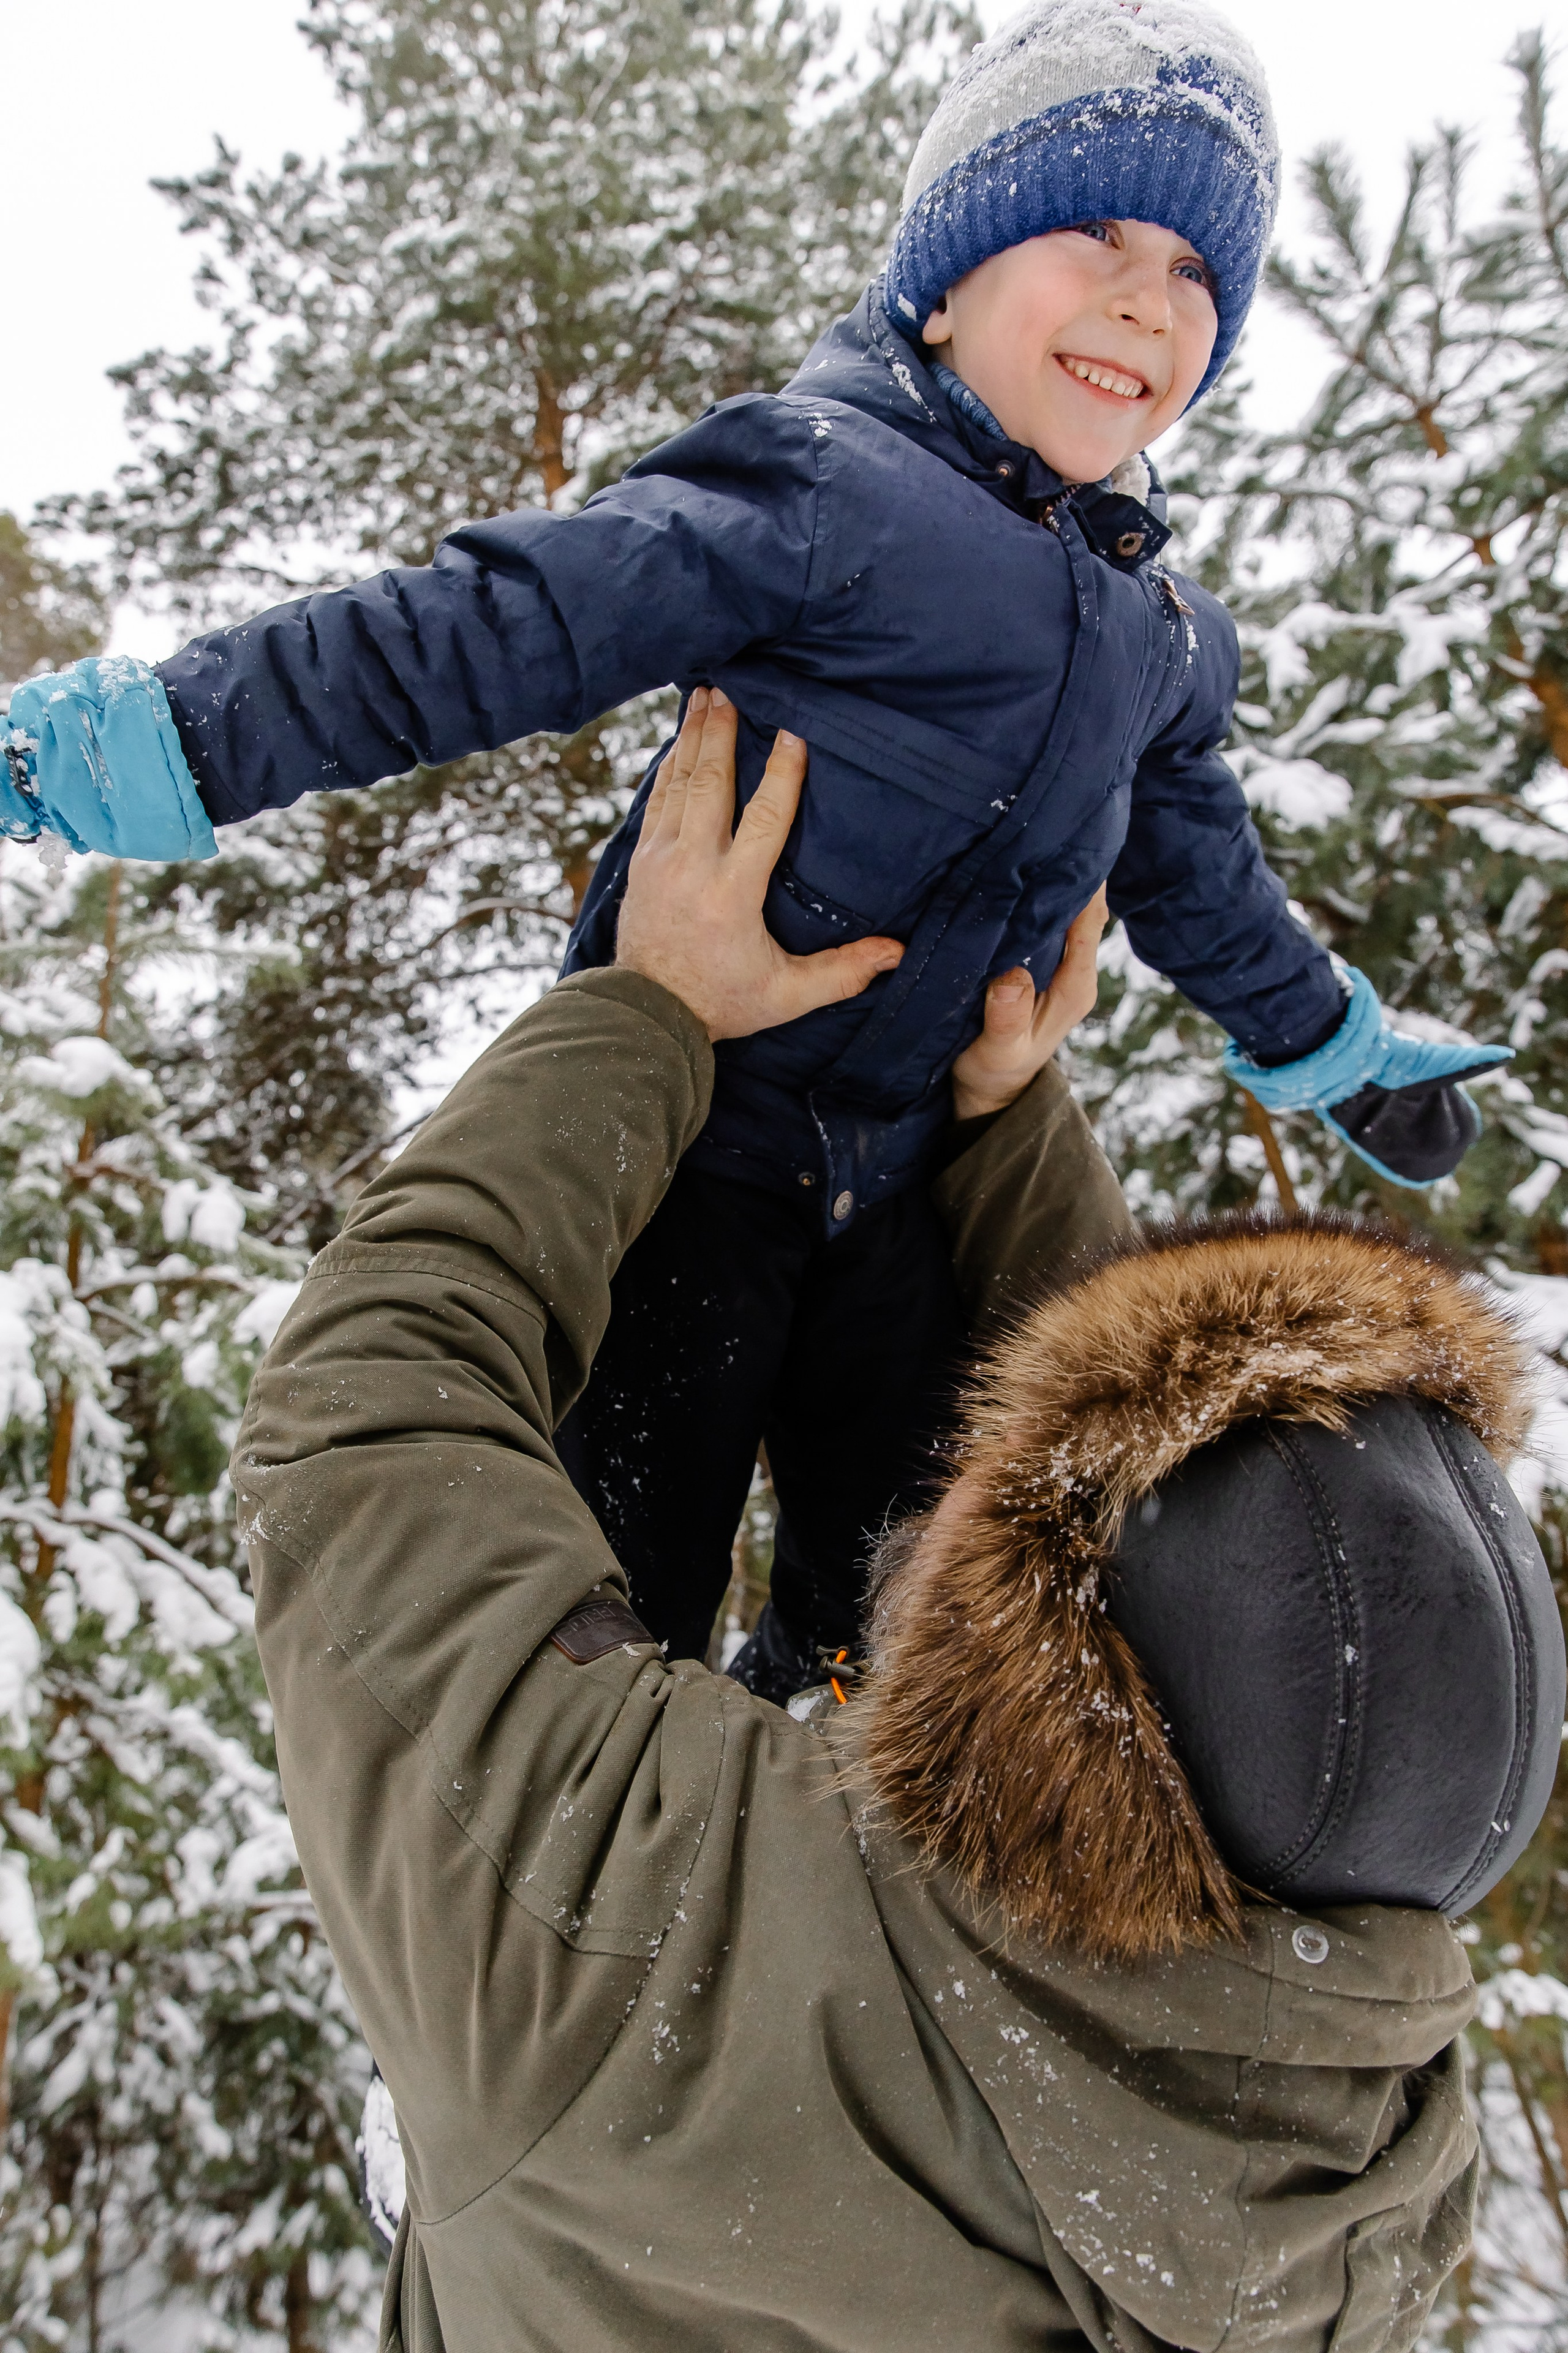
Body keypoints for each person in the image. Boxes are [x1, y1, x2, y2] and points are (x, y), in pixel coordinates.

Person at [4, 0, 1511, 1692]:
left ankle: (815, 1697)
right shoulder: (826, 492)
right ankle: (622, 1819)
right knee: (620, 1560)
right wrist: (163, 743)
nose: (1144, 298)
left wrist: (1337, 1052)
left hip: (903, 1178)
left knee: (913, 1572)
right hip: (693, 1156)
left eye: (1192, 270)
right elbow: (484, 628)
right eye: (1090, 227)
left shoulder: (1169, 639)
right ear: (943, 278)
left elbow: (1204, 883)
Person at [235, 713, 1560, 2352]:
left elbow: (363, 1415)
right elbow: (1194, 1634)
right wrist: (1011, 1124)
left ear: (1052, 1711)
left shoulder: (646, 1946)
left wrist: (647, 1011)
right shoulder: (1349, 2189)